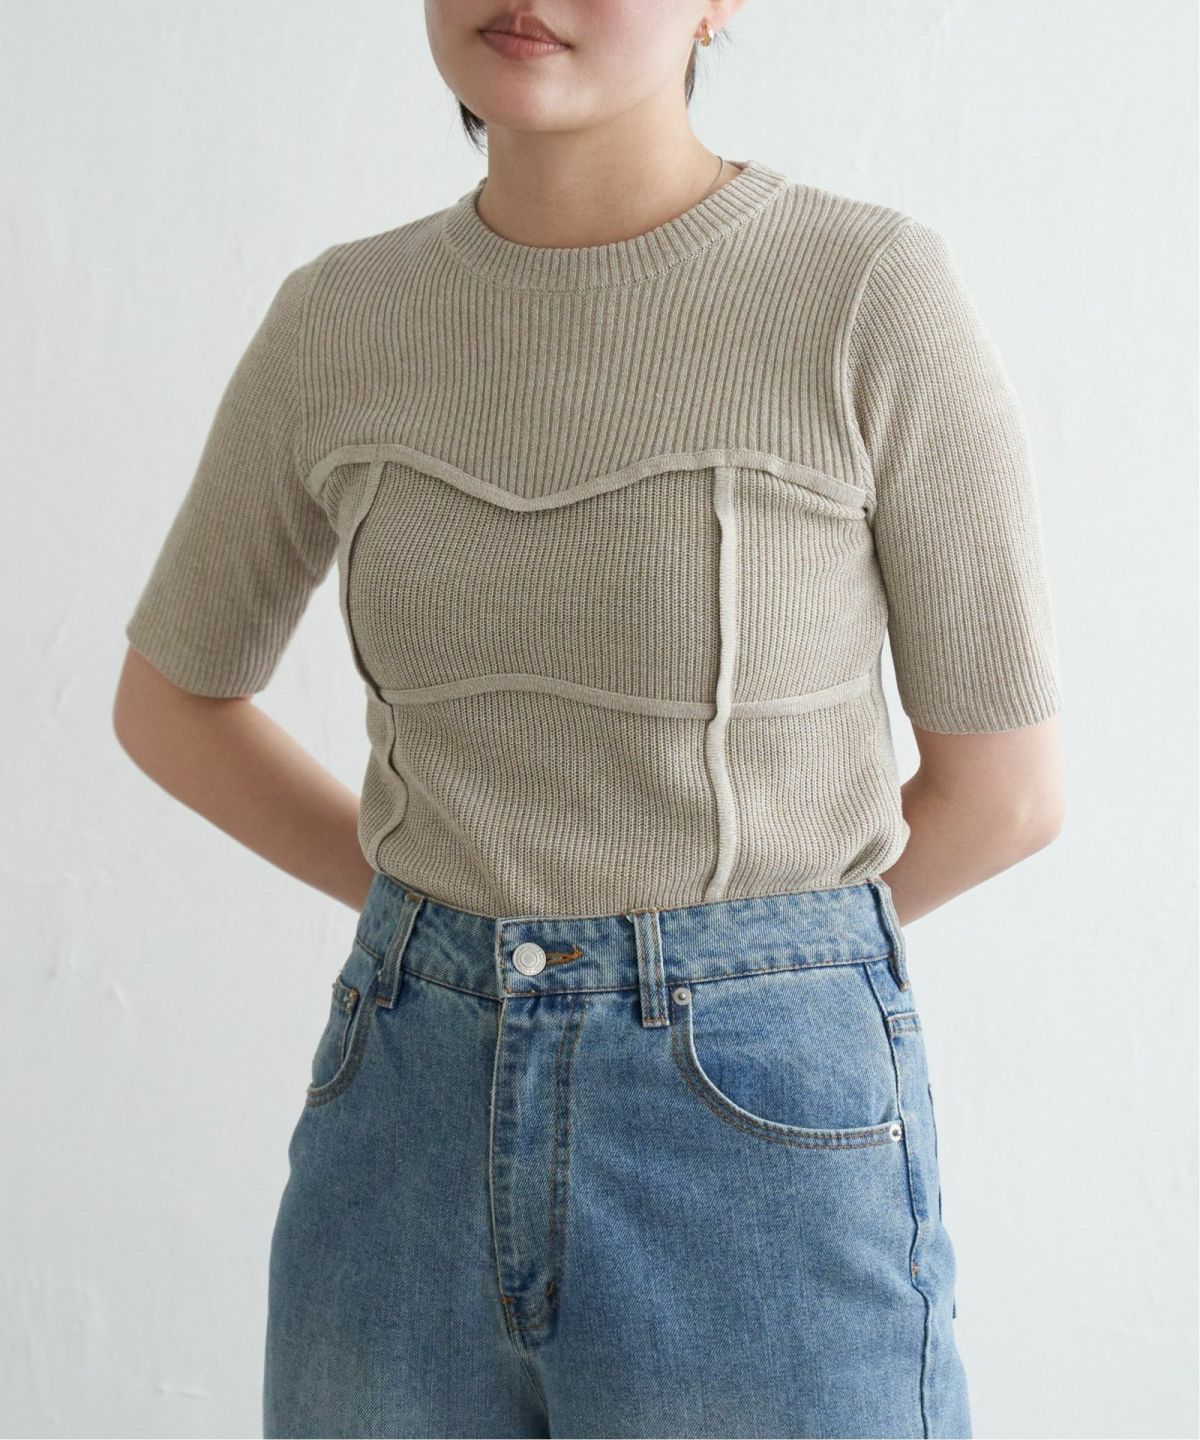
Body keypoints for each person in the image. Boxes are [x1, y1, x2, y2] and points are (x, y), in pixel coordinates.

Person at [113, 2, 1065, 1436]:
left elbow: (1007, 793)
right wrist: (437, 930)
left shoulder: (865, 291)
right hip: (403, 1122)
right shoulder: (338, 318)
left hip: (756, 1136)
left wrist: (728, 969)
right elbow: (174, 700)